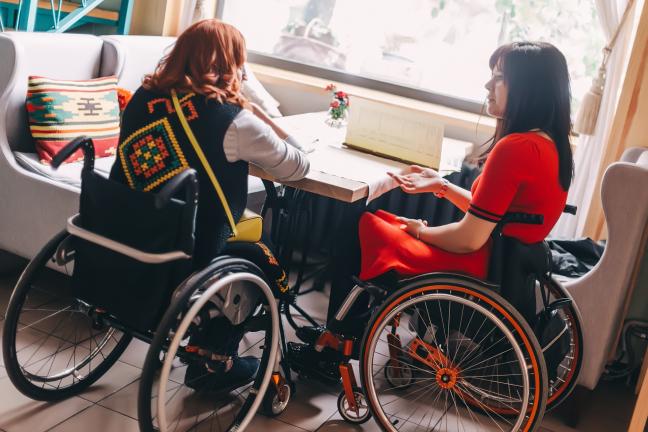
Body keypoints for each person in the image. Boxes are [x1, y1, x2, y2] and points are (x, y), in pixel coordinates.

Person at [289, 41, 574, 382]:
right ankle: (343, 334)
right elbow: (498, 214)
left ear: (528, 88)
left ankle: (338, 343)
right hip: (502, 259)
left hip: (479, 262)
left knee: (361, 223)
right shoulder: (548, 144)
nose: (488, 86)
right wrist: (440, 186)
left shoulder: (515, 148)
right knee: (382, 221)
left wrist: (420, 232)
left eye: (498, 78)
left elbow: (469, 238)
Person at [109, 19, 310, 391]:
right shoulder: (234, 121)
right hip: (184, 246)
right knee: (257, 260)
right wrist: (254, 107)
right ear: (235, 65)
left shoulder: (143, 97)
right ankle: (212, 362)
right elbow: (298, 166)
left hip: (121, 224)